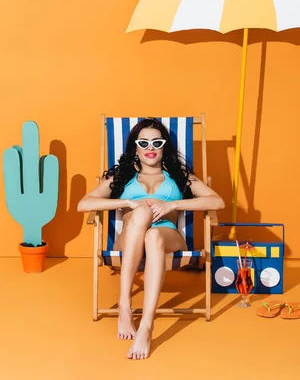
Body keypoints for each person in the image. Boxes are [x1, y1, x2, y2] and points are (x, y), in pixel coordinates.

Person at [78, 118, 225, 359]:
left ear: (164, 146)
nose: (150, 148)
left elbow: (216, 201)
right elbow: (84, 204)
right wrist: (128, 203)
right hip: (129, 238)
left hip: (167, 236)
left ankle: (146, 325)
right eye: (143, 142)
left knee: (155, 234)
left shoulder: (179, 176)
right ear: (134, 147)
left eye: (156, 142)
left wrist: (172, 204)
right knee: (143, 214)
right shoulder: (122, 176)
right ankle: (125, 304)